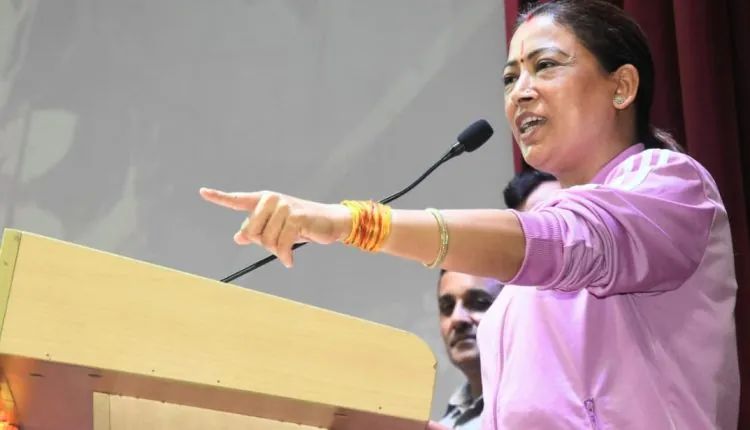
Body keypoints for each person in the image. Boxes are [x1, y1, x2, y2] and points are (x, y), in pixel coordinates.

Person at [199, 0, 740, 428]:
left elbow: (568, 241)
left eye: (545, 66)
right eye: (510, 78)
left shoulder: (669, 187)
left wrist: (354, 222)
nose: (520, 93)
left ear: (621, 86)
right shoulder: (513, 306)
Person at [436, 270, 502, 429]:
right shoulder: (444, 422)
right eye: (447, 307)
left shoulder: (545, 409)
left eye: (479, 303)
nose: (457, 318)